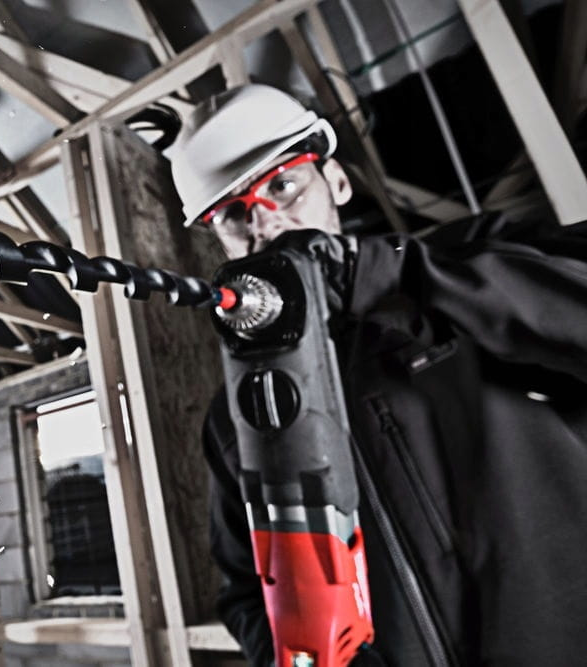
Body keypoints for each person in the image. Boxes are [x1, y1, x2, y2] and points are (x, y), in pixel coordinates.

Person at [169, 83, 587, 666]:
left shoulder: (468, 262)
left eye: (282, 185)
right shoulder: (240, 412)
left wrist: (396, 279)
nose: (264, 225)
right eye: (233, 214)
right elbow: (246, 594)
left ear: (337, 181)